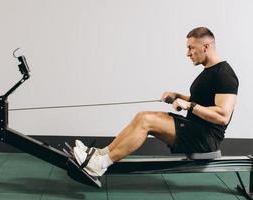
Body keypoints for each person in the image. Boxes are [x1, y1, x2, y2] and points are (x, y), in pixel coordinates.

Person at [73, 27, 239, 177]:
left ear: (206, 46)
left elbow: (222, 115)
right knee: (142, 116)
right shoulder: (209, 72)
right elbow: (201, 101)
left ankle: (100, 165)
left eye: (191, 48)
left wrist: (189, 105)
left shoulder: (225, 75)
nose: (188, 53)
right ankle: (99, 154)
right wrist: (178, 96)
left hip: (205, 138)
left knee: (147, 121)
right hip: (194, 128)